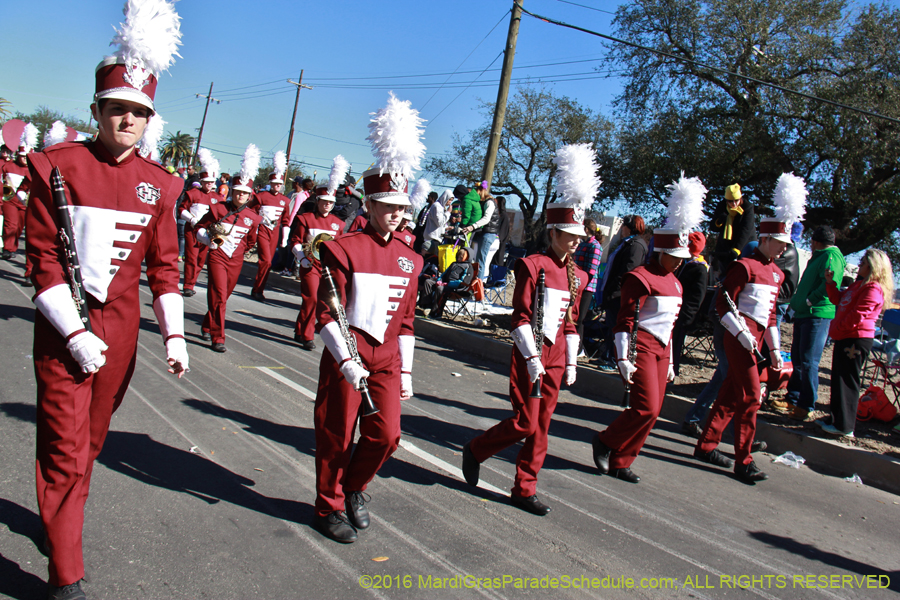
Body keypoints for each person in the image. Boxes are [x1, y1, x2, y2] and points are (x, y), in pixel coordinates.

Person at [24, 4, 187, 597]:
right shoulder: (55, 167)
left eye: (138, 112)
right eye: (116, 108)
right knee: (65, 447)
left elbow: (165, 268)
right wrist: (73, 332)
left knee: (91, 442)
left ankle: (57, 522)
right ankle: (66, 572)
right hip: (65, 330)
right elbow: (40, 260)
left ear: (150, 120)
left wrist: (174, 334)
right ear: (95, 110)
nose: (127, 120)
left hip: (121, 333)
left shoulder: (162, 185)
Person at [312, 94, 425, 543]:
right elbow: (326, 312)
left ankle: (355, 487)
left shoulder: (410, 259)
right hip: (348, 356)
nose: (396, 213)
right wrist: (344, 359)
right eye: (387, 205)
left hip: (388, 360)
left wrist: (408, 370)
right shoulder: (343, 248)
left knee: (386, 435)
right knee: (336, 435)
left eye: (401, 207)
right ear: (370, 204)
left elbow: (408, 320)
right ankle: (327, 507)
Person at [461, 143, 593, 516]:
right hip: (529, 352)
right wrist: (533, 356)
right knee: (524, 421)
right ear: (552, 232)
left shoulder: (578, 276)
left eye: (578, 236)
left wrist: (570, 362)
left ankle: (525, 487)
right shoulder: (532, 265)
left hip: (554, 355)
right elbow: (520, 317)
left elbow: (570, 321)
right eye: (568, 234)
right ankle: (477, 448)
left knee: (543, 427)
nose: (575, 241)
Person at [592, 175, 705, 483]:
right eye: (676, 257)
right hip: (639, 347)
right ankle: (606, 441)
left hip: (661, 351)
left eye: (684, 258)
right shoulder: (640, 277)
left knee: (654, 412)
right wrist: (623, 358)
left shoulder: (677, 284)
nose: (680, 263)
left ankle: (622, 460)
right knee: (645, 408)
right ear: (662, 252)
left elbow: (669, 327)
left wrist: (670, 361)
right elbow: (624, 321)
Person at [694, 173, 805, 484]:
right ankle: (743, 460)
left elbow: (770, 316)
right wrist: (741, 333)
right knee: (752, 396)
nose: (783, 250)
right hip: (737, 337)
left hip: (757, 341)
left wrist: (776, 349)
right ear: (765, 239)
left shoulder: (777, 275)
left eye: (787, 245)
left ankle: (706, 445)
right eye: (779, 244)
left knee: (731, 394)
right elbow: (722, 304)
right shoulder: (744, 266)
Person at [817, 249, 893, 437]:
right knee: (838, 378)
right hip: (846, 336)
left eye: (863, 262)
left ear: (873, 267)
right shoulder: (858, 285)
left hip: (856, 339)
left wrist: (838, 328)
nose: (859, 265)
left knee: (847, 381)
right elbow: (839, 300)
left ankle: (845, 426)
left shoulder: (873, 289)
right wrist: (830, 283)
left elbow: (858, 315)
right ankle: (835, 418)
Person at [195, 145, 263, 352]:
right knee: (218, 293)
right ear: (231, 192)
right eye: (237, 192)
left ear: (249, 195)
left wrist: (240, 250)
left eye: (244, 193)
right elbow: (199, 227)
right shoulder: (218, 209)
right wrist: (209, 241)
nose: (240, 196)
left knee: (222, 296)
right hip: (217, 255)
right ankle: (218, 337)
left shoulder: (252, 218)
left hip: (236, 259)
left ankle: (208, 324)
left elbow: (251, 240)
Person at [777, 225, 846, 419]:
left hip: (817, 314)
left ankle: (806, 405)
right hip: (804, 313)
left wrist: (809, 300)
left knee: (808, 361)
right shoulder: (820, 256)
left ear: (815, 242)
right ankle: (793, 398)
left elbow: (830, 283)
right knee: (798, 359)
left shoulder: (830, 257)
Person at [289, 158, 349, 350]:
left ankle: (300, 329)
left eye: (330, 203)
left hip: (327, 268)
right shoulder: (306, 218)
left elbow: (339, 247)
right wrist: (302, 258)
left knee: (318, 301)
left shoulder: (338, 224)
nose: (327, 206)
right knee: (311, 299)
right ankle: (307, 336)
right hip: (310, 264)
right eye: (324, 202)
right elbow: (295, 241)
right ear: (318, 201)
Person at [596, 215, 648, 368]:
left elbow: (627, 270)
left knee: (617, 328)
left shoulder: (636, 245)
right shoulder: (627, 243)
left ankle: (614, 360)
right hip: (613, 293)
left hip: (620, 295)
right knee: (611, 326)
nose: (621, 229)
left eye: (623, 226)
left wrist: (615, 290)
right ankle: (607, 356)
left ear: (629, 228)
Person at [179, 149, 222, 298]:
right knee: (191, 257)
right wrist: (191, 219)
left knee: (200, 259)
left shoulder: (218, 198)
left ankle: (193, 281)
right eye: (206, 182)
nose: (209, 185)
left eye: (211, 182)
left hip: (207, 232)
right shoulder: (192, 193)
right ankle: (188, 285)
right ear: (202, 182)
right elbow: (181, 209)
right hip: (192, 230)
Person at [251, 152, 289, 301]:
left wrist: (284, 237)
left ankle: (258, 289)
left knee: (268, 263)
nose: (277, 186)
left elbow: (286, 220)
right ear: (270, 183)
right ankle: (257, 289)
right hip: (262, 230)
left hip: (275, 233)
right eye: (274, 184)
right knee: (266, 260)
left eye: (279, 184)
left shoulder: (284, 200)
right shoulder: (260, 196)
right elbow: (251, 213)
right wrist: (260, 221)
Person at [671, 232, 709, 376]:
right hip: (675, 310)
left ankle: (672, 373)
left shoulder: (699, 268)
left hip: (683, 315)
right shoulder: (685, 264)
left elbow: (697, 296)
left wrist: (687, 317)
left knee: (676, 346)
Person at [710, 183, 757, 280]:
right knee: (726, 276)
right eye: (730, 201)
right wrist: (719, 221)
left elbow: (746, 230)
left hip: (744, 247)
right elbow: (713, 227)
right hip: (725, 249)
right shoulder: (722, 206)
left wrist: (737, 249)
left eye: (736, 200)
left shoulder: (747, 208)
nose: (734, 204)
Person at [2, 129, 35, 261]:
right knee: (11, 224)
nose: (24, 159)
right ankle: (7, 248)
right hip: (10, 199)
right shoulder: (8, 165)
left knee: (19, 227)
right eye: (22, 156)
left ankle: (12, 246)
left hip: (24, 203)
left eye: (27, 156)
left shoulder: (32, 171)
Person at [573, 218, 603, 355]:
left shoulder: (595, 246)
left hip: (586, 288)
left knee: (580, 319)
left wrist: (581, 283)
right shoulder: (582, 244)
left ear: (586, 229)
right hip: (576, 285)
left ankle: (578, 349)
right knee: (572, 316)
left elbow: (591, 270)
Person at [427, 246, 474, 319]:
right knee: (428, 282)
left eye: (461, 258)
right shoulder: (454, 263)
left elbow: (463, 281)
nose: (459, 259)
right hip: (445, 283)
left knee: (440, 288)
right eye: (458, 257)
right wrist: (439, 280)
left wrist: (448, 284)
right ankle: (426, 306)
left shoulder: (468, 267)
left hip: (457, 287)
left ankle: (436, 311)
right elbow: (444, 273)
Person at [774, 222, 802, 327]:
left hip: (780, 299)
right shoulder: (791, 249)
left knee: (773, 328)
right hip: (782, 298)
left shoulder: (786, 251)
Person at [466, 188, 500, 273]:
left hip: (488, 234)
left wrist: (472, 227)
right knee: (480, 261)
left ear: (481, 192)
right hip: (485, 234)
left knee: (480, 262)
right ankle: (479, 282)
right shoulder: (486, 202)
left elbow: (486, 219)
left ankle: (478, 284)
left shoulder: (489, 202)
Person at [421, 190, 452, 256]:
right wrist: (448, 212)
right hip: (432, 239)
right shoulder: (437, 206)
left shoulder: (441, 207)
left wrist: (446, 228)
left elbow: (438, 224)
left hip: (436, 238)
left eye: (451, 200)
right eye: (449, 200)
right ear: (445, 197)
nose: (450, 202)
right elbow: (439, 222)